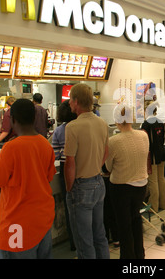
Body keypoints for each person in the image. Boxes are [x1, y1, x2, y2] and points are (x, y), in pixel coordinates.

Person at [0, 99, 56, 259]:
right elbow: (49, 176)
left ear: (13, 120)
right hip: (42, 218)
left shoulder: (11, 148)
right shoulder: (45, 145)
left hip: (17, 222)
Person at [63, 83, 110, 259]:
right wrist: (95, 165)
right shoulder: (102, 122)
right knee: (99, 235)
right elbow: (106, 151)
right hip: (98, 183)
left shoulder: (72, 127)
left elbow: (70, 162)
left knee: (84, 241)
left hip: (81, 186)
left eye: (70, 100)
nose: (69, 104)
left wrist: (70, 188)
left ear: (76, 101)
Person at [105, 104, 149, 259]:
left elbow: (108, 167)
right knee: (136, 219)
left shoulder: (113, 141)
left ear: (116, 120)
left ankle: (128, 258)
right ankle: (139, 254)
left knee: (124, 225)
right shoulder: (143, 135)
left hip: (121, 187)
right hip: (141, 185)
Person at [51, 99, 77, 251]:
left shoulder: (59, 131)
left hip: (64, 168)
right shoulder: (80, 128)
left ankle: (73, 242)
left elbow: (54, 155)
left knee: (69, 208)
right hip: (81, 166)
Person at [141, 100, 165, 212]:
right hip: (162, 152)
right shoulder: (160, 122)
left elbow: (144, 141)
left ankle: (154, 207)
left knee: (153, 181)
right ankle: (163, 204)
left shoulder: (146, 124)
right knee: (161, 178)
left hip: (152, 155)